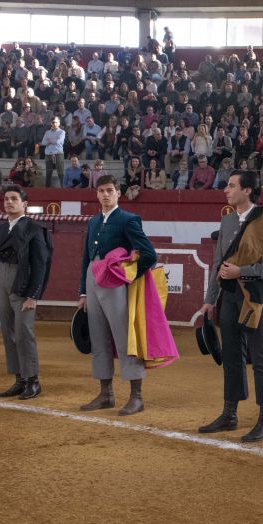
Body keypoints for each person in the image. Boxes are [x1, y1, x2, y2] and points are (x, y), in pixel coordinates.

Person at [198, 170, 263, 442]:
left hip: (256, 294)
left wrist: (243, 271)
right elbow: (217, 264)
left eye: (231, 185)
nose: (226, 190)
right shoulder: (226, 221)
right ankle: (230, 414)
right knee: (232, 354)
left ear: (248, 190)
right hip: (229, 294)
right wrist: (209, 299)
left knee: (261, 355)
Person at [77, 175, 157, 416]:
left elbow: (149, 254)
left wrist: (128, 276)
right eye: (101, 191)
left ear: (118, 193)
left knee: (124, 339)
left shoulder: (128, 219)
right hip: (93, 279)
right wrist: (83, 291)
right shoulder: (93, 222)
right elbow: (86, 259)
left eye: (110, 190)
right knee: (99, 338)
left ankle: (136, 397)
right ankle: (106, 394)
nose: (105, 195)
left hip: (114, 283)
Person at [0, 185, 49, 400]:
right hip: (3, 279)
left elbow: (40, 264)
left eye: (14, 199)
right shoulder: (2, 229)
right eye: (6, 199)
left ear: (25, 204)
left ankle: (33, 381)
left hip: (23, 282)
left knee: (23, 333)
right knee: (9, 334)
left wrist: (34, 295)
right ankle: (20, 380)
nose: (9, 202)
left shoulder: (34, 228)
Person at [41, 116, 66, 187]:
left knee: (60, 173)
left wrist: (49, 140)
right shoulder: (47, 132)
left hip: (58, 153)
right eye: (53, 122)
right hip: (48, 154)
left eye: (56, 122)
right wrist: (53, 140)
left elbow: (58, 141)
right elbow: (43, 142)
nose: (54, 124)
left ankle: (63, 189)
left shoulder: (62, 132)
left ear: (59, 123)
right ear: (51, 123)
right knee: (48, 173)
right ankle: (47, 189)